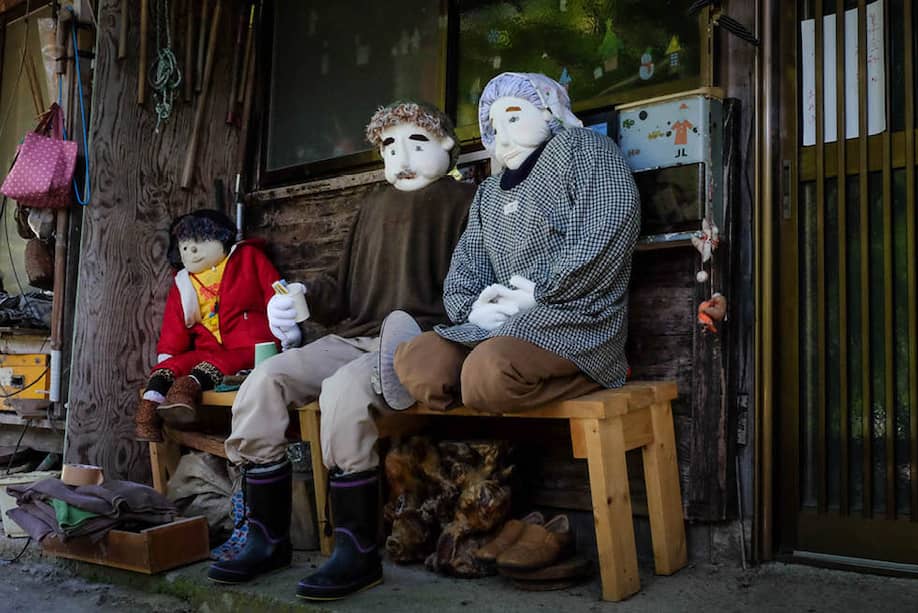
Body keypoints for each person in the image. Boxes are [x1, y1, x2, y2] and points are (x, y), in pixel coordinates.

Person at [207, 102, 475, 601]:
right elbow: (341, 288)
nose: (403, 156)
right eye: (390, 146)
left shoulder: (467, 201)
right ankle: (267, 537)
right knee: (264, 381)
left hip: (420, 342)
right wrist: (303, 297)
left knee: (344, 393)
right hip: (357, 335)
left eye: (418, 141)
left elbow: (477, 281)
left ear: (446, 146)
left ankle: (355, 548)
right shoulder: (373, 206)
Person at [388, 72, 640, 415]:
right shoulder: (490, 192)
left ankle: (597, 372)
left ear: (548, 112)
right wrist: (474, 308)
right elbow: (467, 263)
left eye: (514, 117)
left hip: (575, 315)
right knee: (419, 363)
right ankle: (479, 382)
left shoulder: (583, 149)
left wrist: (540, 294)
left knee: (487, 375)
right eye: (494, 123)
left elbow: (607, 224)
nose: (502, 135)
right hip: (499, 323)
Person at [134, 209, 280, 442]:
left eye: (200, 241)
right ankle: (148, 413)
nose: (191, 251)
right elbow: (175, 328)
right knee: (173, 364)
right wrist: (168, 357)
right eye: (184, 246)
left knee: (215, 363)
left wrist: (285, 324)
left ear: (222, 238)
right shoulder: (183, 283)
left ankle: (184, 392)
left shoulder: (247, 258)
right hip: (209, 348)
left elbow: (276, 292)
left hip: (252, 345)